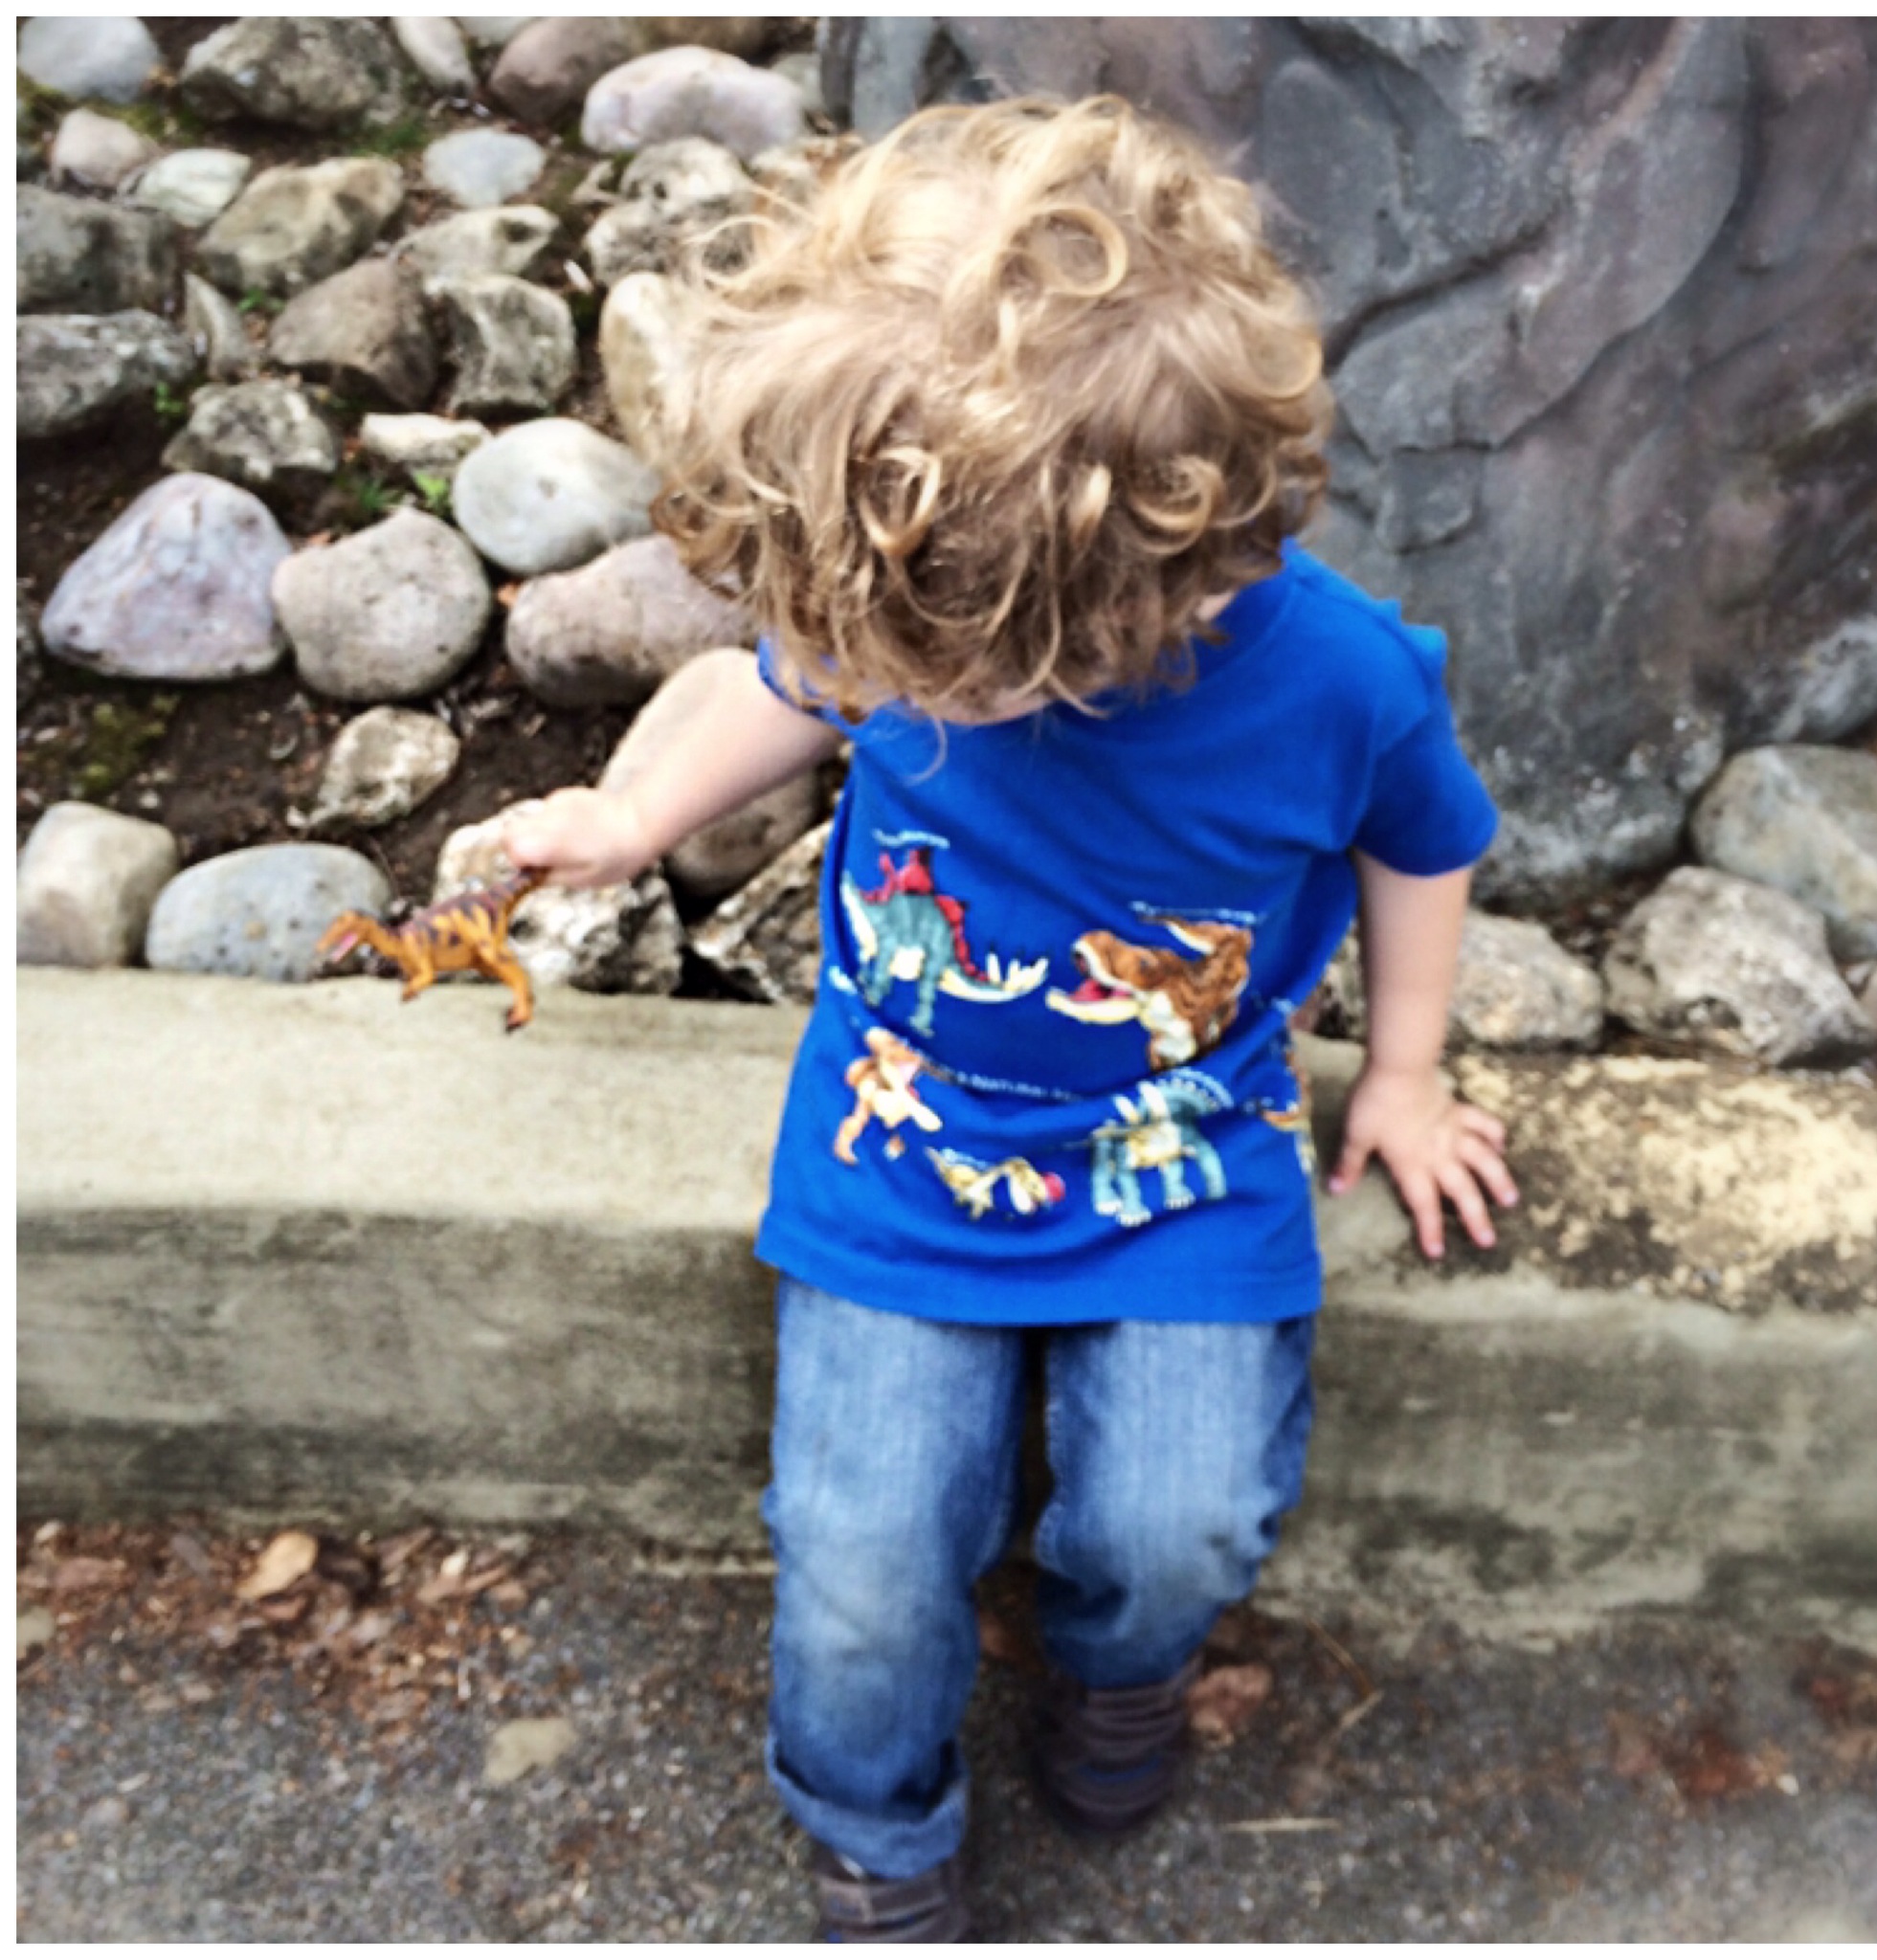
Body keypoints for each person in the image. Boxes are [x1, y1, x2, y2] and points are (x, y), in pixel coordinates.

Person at [505, 93, 1516, 1942]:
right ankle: (874, 1821)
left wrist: (1406, 1065)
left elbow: (1427, 837)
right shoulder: (925, 590)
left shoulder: (1340, 679)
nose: (867, 678)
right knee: (866, 1558)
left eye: (919, 674)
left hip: (1183, 1144)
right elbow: (776, 684)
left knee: (1179, 1525)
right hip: (900, 1129)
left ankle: (1118, 1668)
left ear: (1109, 615)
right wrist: (630, 817)